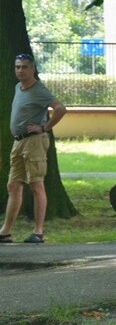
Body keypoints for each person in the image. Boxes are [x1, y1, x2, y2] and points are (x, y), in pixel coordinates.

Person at [1, 53, 66, 244]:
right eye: (17, 67)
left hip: (34, 142)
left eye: (24, 67)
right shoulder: (18, 87)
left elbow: (60, 108)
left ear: (33, 69)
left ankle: (38, 232)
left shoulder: (39, 90)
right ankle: (5, 232)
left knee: (36, 185)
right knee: (13, 185)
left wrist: (44, 127)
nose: (20, 70)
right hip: (18, 142)